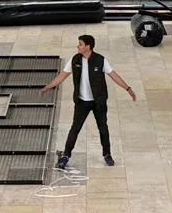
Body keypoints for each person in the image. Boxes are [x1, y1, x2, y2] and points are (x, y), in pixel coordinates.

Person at [41, 33, 136, 169]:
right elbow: (62, 76)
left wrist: (128, 88)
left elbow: (113, 75)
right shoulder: (75, 60)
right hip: (82, 102)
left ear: (88, 46)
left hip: (98, 102)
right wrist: (48, 87)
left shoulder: (100, 60)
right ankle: (66, 156)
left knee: (103, 128)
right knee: (75, 129)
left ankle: (107, 154)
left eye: (80, 44)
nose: (78, 46)